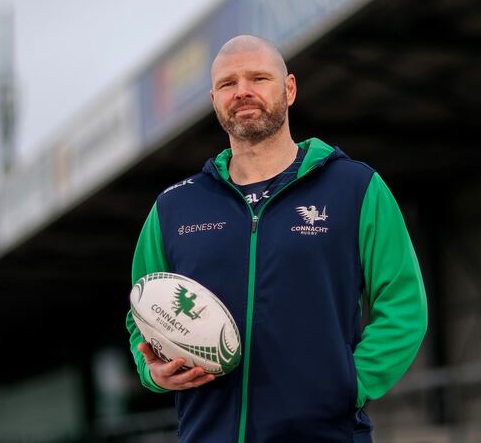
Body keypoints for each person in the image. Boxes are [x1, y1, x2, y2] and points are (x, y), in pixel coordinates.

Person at [126, 34, 427, 442]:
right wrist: (154, 371)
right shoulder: (173, 209)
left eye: (258, 78)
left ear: (289, 89)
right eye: (229, 84)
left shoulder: (356, 188)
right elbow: (142, 305)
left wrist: (350, 383)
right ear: (215, 99)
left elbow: (404, 304)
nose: (243, 91)